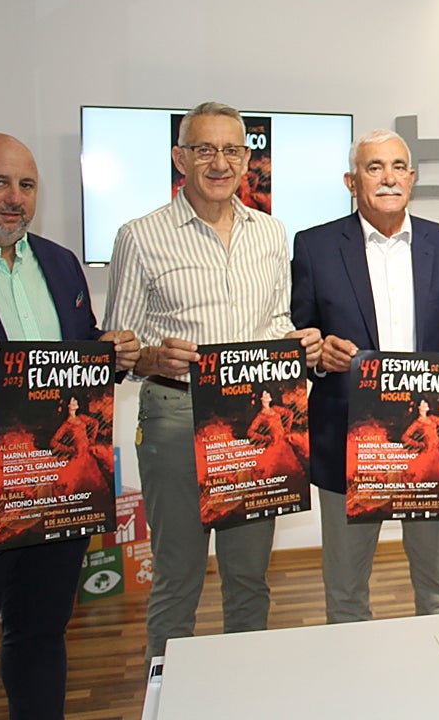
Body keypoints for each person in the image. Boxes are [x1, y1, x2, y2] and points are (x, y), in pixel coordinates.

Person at [0, 133, 139, 719]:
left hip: (55, 496)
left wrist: (107, 352)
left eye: (27, 185)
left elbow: (77, 354)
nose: (15, 198)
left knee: (41, 639)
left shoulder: (60, 264)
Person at [104, 101, 322, 662]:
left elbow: (274, 320)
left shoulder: (271, 233)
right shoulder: (140, 235)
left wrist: (297, 342)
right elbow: (117, 350)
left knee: (249, 577)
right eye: (205, 149)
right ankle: (165, 693)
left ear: (248, 159)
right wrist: (152, 357)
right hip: (177, 415)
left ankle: (243, 690)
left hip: (252, 422)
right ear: (181, 158)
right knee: (178, 577)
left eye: (231, 150)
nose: (219, 163)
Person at [291, 128, 439, 623]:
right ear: (351, 181)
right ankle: (353, 671)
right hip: (349, 438)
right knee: (346, 593)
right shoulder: (315, 246)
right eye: (374, 167)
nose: (388, 178)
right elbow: (299, 332)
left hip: (427, 442)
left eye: (398, 167)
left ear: (412, 178)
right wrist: (318, 353)